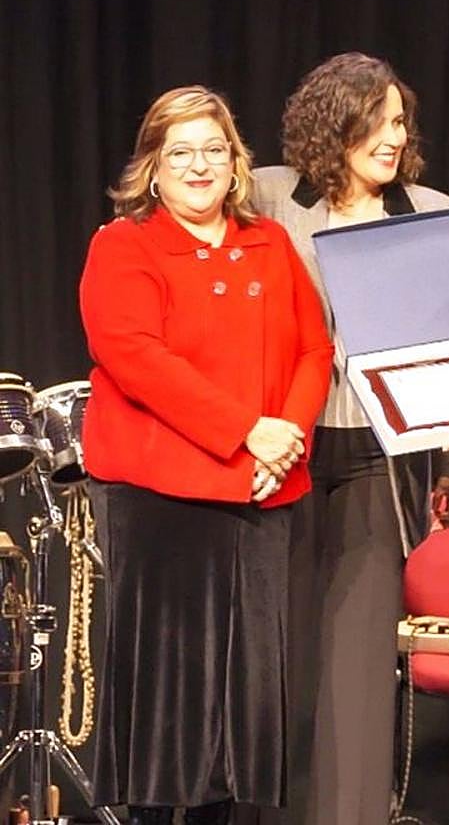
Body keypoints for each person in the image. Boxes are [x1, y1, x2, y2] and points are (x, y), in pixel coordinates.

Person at [80, 86, 333, 825]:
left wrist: (284, 439)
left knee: (239, 713)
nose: (200, 166)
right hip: (162, 501)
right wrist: (244, 430)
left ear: (235, 163)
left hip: (259, 494)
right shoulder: (123, 244)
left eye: (213, 150)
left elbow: (314, 350)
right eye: (181, 152)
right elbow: (133, 354)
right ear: (153, 169)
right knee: (169, 710)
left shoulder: (271, 243)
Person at [252, 52, 449, 825]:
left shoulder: (429, 208)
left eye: (399, 120)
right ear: (331, 125)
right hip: (282, 453)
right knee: (279, 653)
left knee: (360, 659)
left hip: (380, 455)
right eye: (373, 121)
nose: (390, 136)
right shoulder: (271, 197)